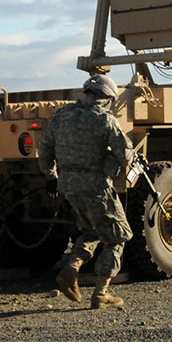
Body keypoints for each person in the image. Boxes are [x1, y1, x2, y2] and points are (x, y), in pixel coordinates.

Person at [38, 74, 134, 309]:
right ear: (108, 98)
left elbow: (45, 147)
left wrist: (51, 175)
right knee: (119, 236)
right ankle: (101, 293)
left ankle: (71, 269)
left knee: (91, 230)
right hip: (96, 188)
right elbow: (124, 155)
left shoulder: (62, 115)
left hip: (68, 186)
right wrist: (119, 157)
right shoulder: (105, 120)